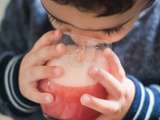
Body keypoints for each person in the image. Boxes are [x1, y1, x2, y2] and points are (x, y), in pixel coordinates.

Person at [0, 0, 160, 119]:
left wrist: (136, 105)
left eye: (109, 30)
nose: (80, 41)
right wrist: (16, 80)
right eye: (58, 20)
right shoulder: (27, 8)